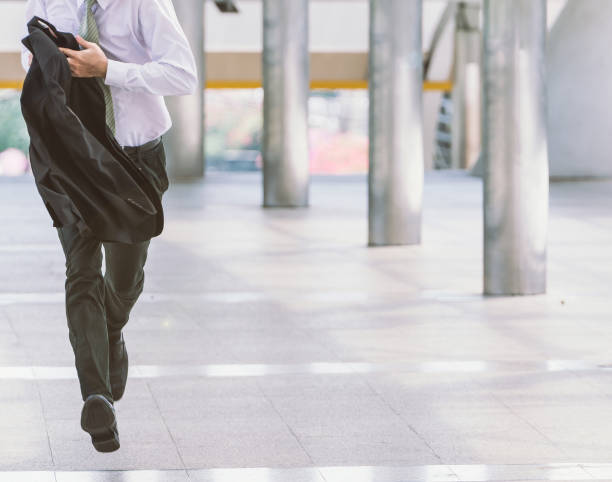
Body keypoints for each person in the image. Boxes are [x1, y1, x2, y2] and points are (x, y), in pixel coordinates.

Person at [21, 0, 198, 452]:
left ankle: (112, 331)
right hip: (72, 157)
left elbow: (182, 74)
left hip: (135, 159)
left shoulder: (144, 3)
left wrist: (108, 69)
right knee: (79, 273)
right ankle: (95, 396)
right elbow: (30, 62)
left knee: (124, 280)